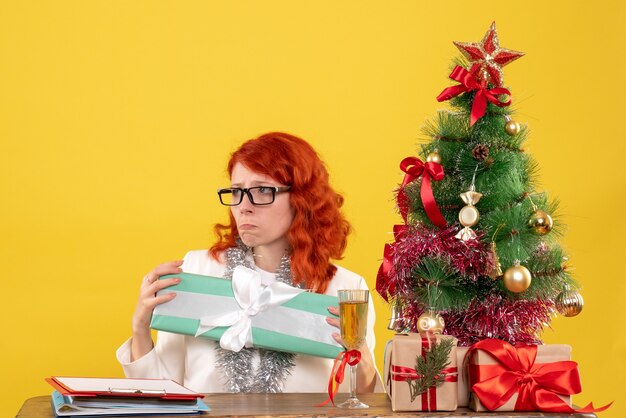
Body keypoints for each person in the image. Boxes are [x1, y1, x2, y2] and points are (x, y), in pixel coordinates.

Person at [116, 132, 380, 393]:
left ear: (303, 198)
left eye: (262, 190)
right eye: (237, 191)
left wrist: (360, 354)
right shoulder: (196, 271)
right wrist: (140, 328)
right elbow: (161, 391)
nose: (244, 206)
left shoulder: (345, 288)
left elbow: (365, 400)